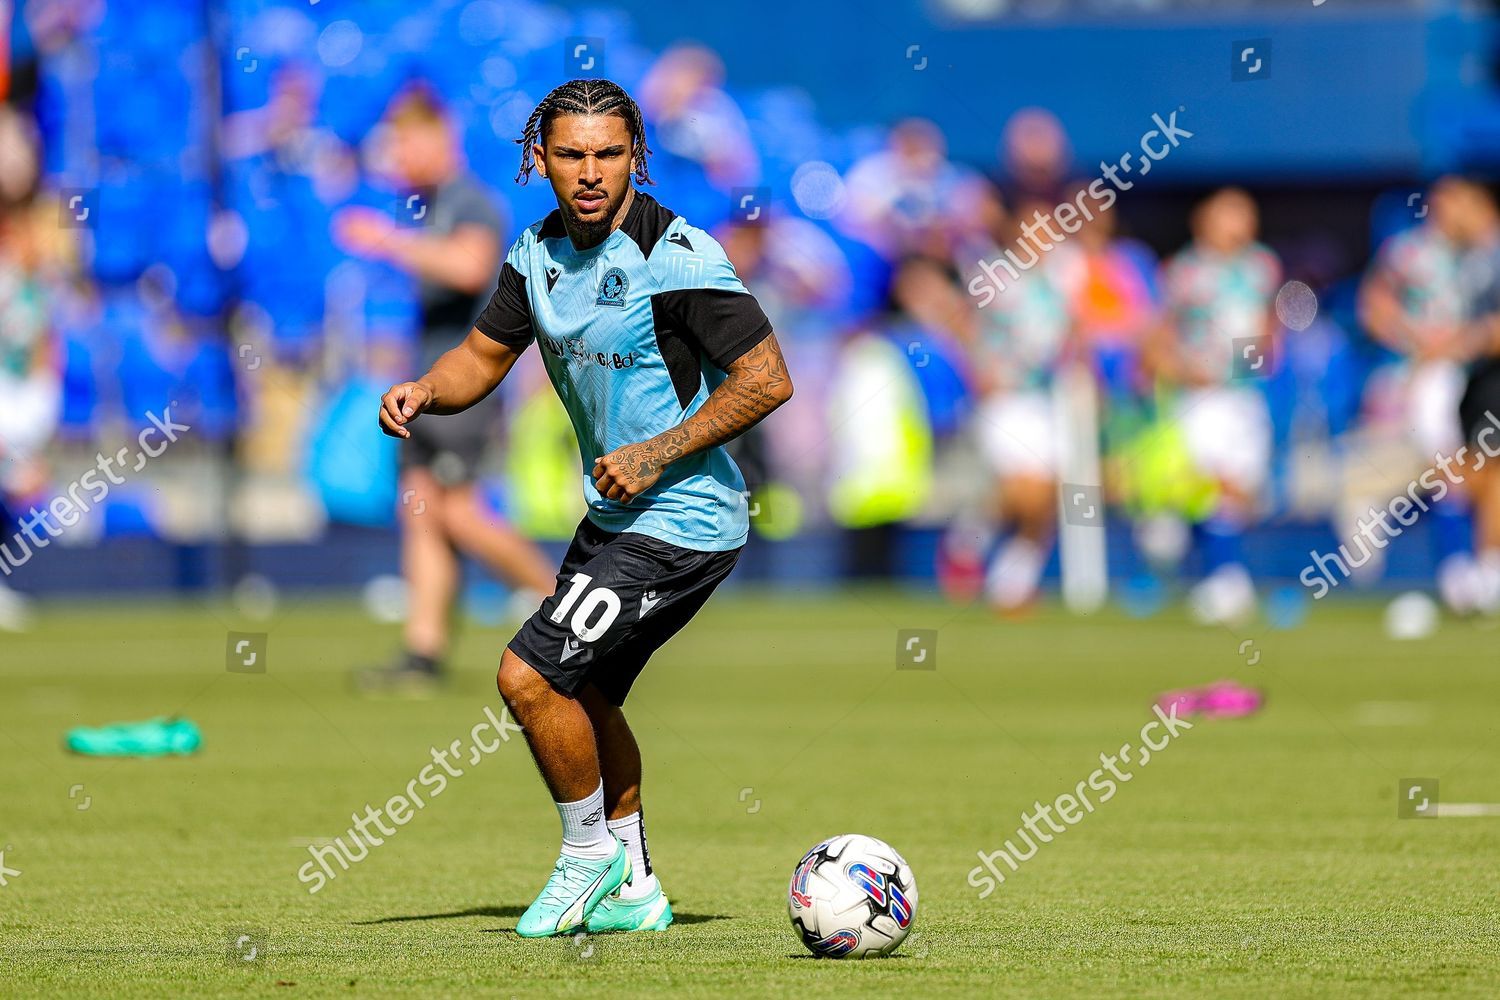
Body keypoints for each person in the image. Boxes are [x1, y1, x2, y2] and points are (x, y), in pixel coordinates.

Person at [377, 79, 792, 937]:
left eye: (609, 154)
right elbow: (481, 359)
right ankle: (635, 887)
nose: (591, 172)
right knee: (590, 696)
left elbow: (767, 378)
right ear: (541, 159)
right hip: (618, 518)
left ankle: (586, 855)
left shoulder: (677, 258)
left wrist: (654, 451)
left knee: (527, 677)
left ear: (636, 157)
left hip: (684, 521)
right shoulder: (535, 255)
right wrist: (425, 388)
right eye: (572, 154)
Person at [335, 83, 555, 691]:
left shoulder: (469, 201)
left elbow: (470, 266)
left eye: (407, 140)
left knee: (458, 512)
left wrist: (387, 241)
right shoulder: (428, 202)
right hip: (425, 385)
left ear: (440, 137)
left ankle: (563, 609)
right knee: (423, 511)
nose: (398, 154)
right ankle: (423, 654)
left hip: (465, 385)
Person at [1146, 188, 1281, 625]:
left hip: (1245, 391)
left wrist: (1260, 356)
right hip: (1200, 393)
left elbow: (1267, 328)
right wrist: (1179, 369)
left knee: (1242, 489)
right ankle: (1227, 579)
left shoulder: (1261, 267)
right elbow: (1162, 333)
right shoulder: (1185, 272)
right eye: (1230, 215)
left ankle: (1197, 556)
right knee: (1215, 480)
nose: (1240, 225)